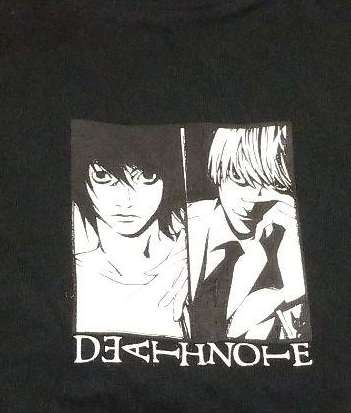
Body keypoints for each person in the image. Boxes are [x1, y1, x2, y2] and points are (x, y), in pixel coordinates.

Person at [185, 124, 310, 342]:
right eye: (239, 178)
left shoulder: (289, 246)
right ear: (218, 168)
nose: (251, 203)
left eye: (273, 184)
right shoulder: (181, 224)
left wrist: (296, 288)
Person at [71, 121, 189, 338]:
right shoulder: (75, 270)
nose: (126, 200)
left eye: (147, 177)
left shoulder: (192, 257)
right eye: (103, 177)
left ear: (168, 180)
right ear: (83, 181)